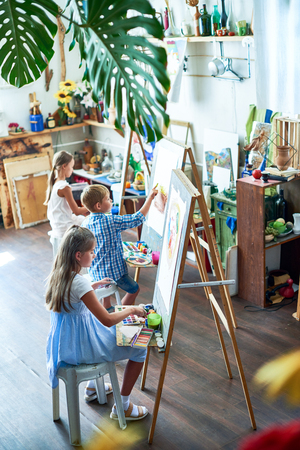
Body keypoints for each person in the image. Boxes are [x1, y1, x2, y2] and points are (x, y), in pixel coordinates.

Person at [46, 225, 148, 420]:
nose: (94, 255)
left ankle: (92, 387)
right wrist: (132, 309)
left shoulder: (60, 274)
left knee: (123, 333)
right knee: (139, 347)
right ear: (78, 255)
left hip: (66, 344)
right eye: (91, 252)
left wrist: (91, 287)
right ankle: (123, 407)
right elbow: (107, 320)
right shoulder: (79, 282)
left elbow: (74, 294)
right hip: (81, 348)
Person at [80, 184, 157, 311]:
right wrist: (150, 198)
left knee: (106, 270)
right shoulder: (111, 221)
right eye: (108, 199)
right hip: (114, 274)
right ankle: (121, 311)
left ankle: (107, 306)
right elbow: (137, 218)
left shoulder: (85, 222)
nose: (111, 201)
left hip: (95, 272)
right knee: (134, 289)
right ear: (98, 205)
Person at [44, 150, 88, 257]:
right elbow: (76, 211)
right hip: (64, 227)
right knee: (89, 224)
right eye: (71, 167)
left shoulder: (56, 183)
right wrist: (90, 207)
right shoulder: (65, 187)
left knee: (84, 220)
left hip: (57, 224)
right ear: (64, 166)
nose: (72, 170)